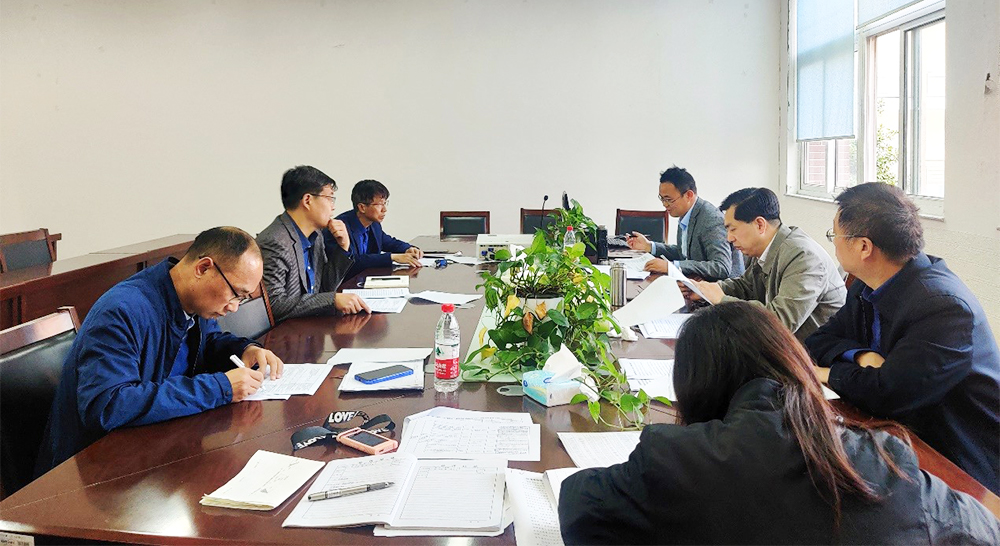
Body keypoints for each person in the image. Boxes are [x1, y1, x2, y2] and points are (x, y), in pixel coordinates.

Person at [558, 302, 1000, 545]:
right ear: (790, 359)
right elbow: (980, 528)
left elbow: (577, 507)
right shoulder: (886, 459)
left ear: (695, 386)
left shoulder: (676, 458)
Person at [36, 227, 285, 476]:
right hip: (91, 471)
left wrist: (245, 349)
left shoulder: (193, 301)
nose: (234, 307)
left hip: (154, 453)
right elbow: (108, 405)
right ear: (203, 268)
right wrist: (219, 388)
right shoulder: (121, 311)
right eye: (236, 294)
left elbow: (208, 342)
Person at [805, 182, 1000, 494]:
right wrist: (861, 356)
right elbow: (819, 339)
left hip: (960, 460)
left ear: (864, 247)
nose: (834, 244)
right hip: (899, 432)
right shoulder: (866, 284)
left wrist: (827, 373)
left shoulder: (943, 306)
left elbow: (890, 392)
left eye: (835, 235)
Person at [689, 187, 845, 340]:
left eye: (733, 229)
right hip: (786, 345)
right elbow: (746, 286)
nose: (729, 238)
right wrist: (706, 290)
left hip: (816, 351)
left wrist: (721, 299)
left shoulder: (803, 256)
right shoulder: (763, 248)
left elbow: (780, 322)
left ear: (760, 225)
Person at [257, 165, 369, 321]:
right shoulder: (276, 241)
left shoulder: (316, 236)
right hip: (288, 332)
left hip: (312, 326)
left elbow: (324, 288)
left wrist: (343, 248)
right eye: (329, 198)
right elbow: (274, 305)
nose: (333, 207)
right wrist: (332, 299)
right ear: (307, 200)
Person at [626, 166, 743, 281]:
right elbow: (684, 253)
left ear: (688, 195)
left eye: (669, 199)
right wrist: (650, 246)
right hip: (696, 282)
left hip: (724, 289)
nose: (665, 204)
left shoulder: (711, 219)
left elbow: (721, 267)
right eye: (662, 199)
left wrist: (672, 266)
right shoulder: (686, 214)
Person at [331, 179, 423, 279]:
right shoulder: (340, 228)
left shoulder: (374, 224)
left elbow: (388, 242)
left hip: (367, 280)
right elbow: (352, 261)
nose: (384, 209)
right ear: (362, 207)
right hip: (346, 283)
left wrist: (408, 248)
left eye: (385, 203)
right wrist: (392, 257)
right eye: (379, 205)